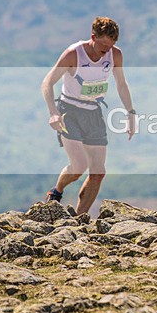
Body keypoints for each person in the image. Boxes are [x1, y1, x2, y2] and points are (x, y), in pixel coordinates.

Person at [41, 16, 136, 215]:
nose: (106, 50)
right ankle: (56, 192)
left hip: (93, 112)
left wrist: (131, 113)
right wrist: (53, 112)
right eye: (103, 45)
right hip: (69, 111)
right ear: (93, 37)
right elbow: (47, 82)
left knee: (98, 172)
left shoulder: (115, 55)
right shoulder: (73, 54)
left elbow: (121, 84)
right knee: (79, 166)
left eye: (111, 46)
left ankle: (79, 219)